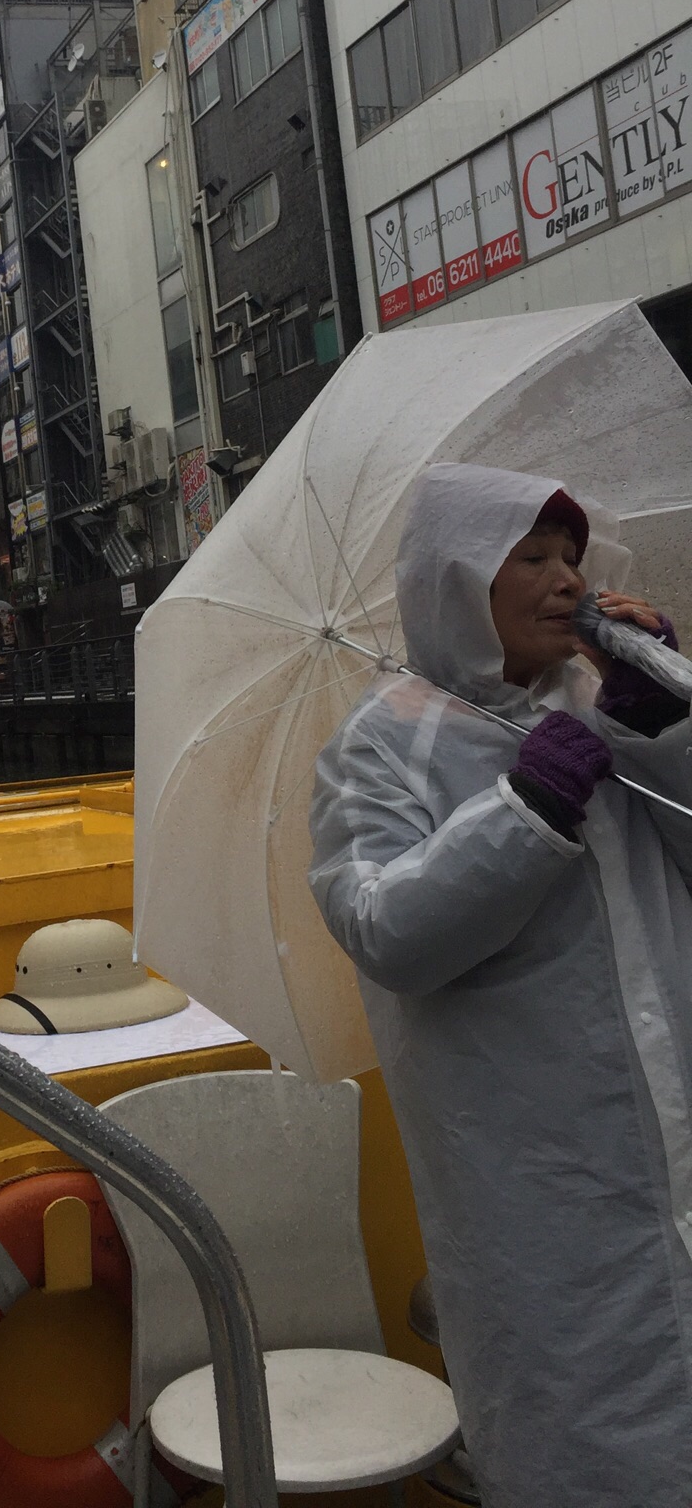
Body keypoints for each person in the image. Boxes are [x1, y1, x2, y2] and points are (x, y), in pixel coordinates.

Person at [309, 462, 692, 1507]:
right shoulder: (379, 746)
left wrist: (664, 723)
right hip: (539, 1195)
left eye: (572, 556)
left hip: (676, 1149)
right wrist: (525, 813)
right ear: (458, 577)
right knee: (583, 1447)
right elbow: (383, 928)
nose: (566, 578)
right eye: (531, 556)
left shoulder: (610, 704)